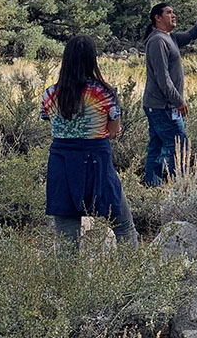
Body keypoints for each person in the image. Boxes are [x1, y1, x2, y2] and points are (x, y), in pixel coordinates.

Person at [40, 36, 137, 248]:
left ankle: (68, 281)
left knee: (67, 238)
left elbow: (53, 126)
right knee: (124, 227)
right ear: (92, 60)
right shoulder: (105, 92)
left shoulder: (50, 94)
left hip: (62, 164)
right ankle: (130, 278)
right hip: (97, 164)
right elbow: (113, 131)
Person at [142, 0, 197, 186]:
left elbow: (192, 34)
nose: (173, 15)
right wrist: (178, 100)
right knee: (179, 148)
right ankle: (180, 188)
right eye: (169, 12)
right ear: (157, 18)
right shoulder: (157, 41)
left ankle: (152, 187)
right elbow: (162, 77)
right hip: (163, 106)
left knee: (157, 147)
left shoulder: (170, 38)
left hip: (160, 105)